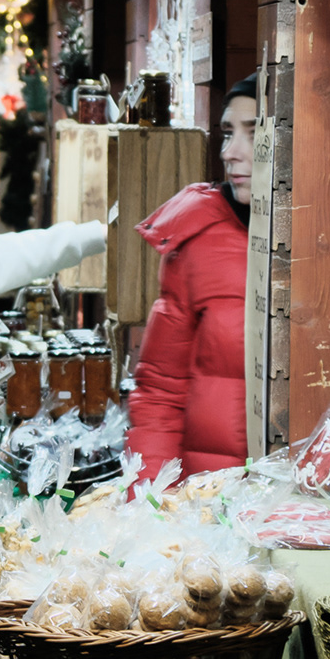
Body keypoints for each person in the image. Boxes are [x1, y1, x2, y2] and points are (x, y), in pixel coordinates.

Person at [126, 75, 256, 482]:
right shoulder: (198, 239)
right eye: (228, 133)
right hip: (207, 505)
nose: (230, 153)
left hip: (298, 517)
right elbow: (160, 391)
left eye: (252, 135)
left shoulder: (328, 242)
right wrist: (148, 506)